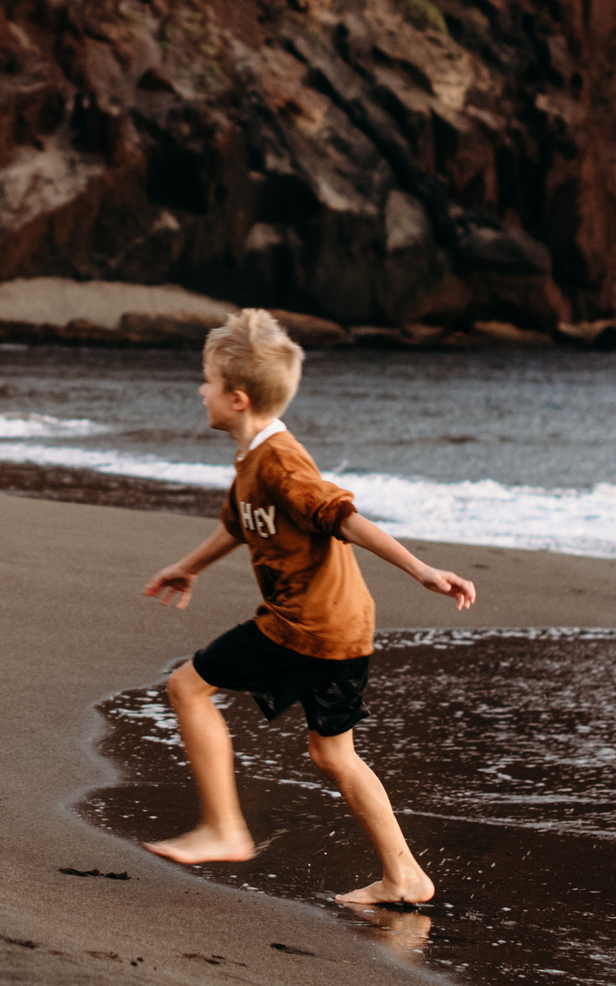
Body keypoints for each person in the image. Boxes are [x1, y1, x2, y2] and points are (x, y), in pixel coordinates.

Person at [140, 309, 477, 906]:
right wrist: (188, 566)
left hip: (306, 625)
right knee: (333, 754)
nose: (201, 392)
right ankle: (406, 876)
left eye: (208, 384)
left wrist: (422, 570)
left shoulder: (280, 460)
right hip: (345, 626)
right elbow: (240, 527)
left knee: (187, 688)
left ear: (237, 398)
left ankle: (224, 828)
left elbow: (343, 516)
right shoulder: (253, 457)